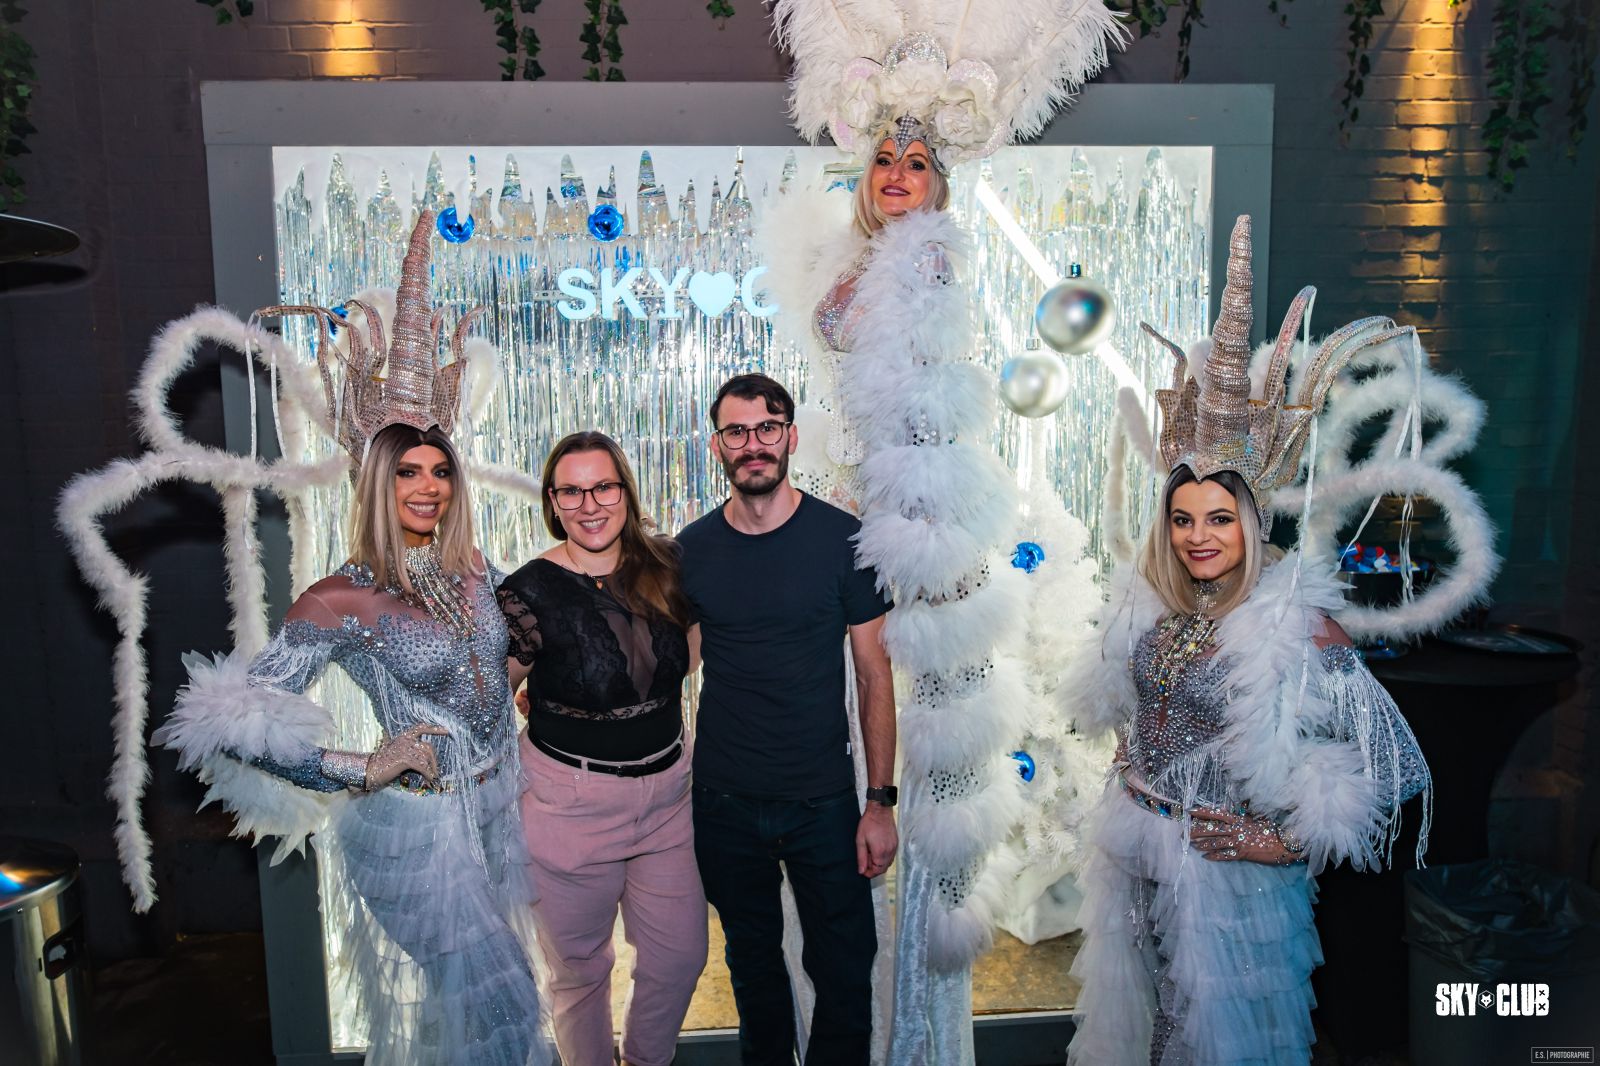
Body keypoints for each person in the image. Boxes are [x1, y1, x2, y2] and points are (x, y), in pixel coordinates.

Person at [153, 213, 549, 1066]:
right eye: (406, 471)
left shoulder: (474, 569)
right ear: (373, 480)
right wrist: (361, 767)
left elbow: (486, 671)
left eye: (439, 470)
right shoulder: (339, 599)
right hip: (421, 837)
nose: (428, 487)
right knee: (507, 1022)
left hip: (495, 814)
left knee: (492, 1022)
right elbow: (225, 720)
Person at [1064, 218, 1433, 1066]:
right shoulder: (1160, 606)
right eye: (1183, 519)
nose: (1199, 537)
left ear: (1252, 523)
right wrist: (1135, 756)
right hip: (1136, 862)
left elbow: (1396, 763)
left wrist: (1289, 842)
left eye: (1219, 519)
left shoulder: (1298, 623)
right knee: (1143, 1038)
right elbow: (1147, 706)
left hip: (1226, 887)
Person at [677, 373, 897, 1066]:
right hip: (724, 800)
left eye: (767, 428)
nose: (754, 444)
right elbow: (674, 662)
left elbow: (875, 676)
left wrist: (880, 803)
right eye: (737, 432)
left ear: (791, 437)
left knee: (845, 970)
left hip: (821, 801)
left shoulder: (845, 541)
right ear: (718, 445)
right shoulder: (691, 551)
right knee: (754, 974)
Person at [496, 430, 706, 1066]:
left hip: (668, 798)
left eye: (604, 487)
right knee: (580, 972)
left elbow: (688, 658)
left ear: (626, 492)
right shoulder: (529, 590)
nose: (590, 505)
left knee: (680, 957)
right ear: (552, 503)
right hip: (568, 805)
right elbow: (488, 693)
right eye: (572, 491)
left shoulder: (667, 566)